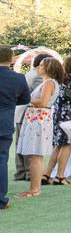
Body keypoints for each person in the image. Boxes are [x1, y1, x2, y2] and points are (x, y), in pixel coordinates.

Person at [16, 57, 63, 198]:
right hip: (37, 118)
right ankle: (34, 188)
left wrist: (25, 98)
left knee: (35, 155)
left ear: (48, 68)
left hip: (38, 119)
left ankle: (34, 189)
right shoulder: (48, 82)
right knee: (34, 155)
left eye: (42, 65)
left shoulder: (49, 82)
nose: (38, 67)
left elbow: (43, 102)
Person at [44, 56, 71, 185]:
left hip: (58, 113)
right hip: (70, 115)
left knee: (58, 145)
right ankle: (60, 176)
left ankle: (46, 174)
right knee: (67, 145)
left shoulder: (58, 78)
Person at [0, 46, 31, 209]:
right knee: (1, 160)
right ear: (11, 59)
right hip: (4, 122)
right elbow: (26, 98)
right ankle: (0, 200)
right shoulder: (18, 78)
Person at [13, 53, 47, 182]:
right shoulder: (38, 77)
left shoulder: (30, 74)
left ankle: (20, 172)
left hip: (20, 112)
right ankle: (29, 173)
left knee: (20, 144)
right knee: (28, 144)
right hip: (28, 113)